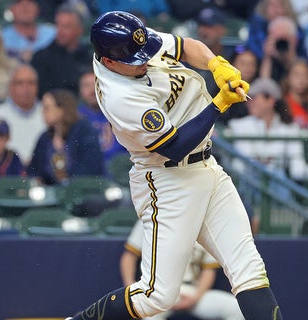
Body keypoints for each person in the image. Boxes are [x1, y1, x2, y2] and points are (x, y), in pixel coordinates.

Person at [65, 11, 282, 320]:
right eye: (134, 59)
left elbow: (184, 46)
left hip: (207, 168)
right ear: (109, 61)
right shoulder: (120, 96)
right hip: (168, 180)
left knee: (248, 267)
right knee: (155, 297)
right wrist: (218, 104)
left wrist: (215, 63)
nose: (144, 60)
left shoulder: (129, 41)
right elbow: (175, 145)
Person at [121, 220, 245, 320]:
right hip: (156, 292)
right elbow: (129, 257)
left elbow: (209, 270)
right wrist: (133, 292)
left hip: (191, 291)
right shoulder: (151, 217)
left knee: (236, 308)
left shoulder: (205, 222)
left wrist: (195, 298)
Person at [227, 77, 308, 182]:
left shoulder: (290, 128)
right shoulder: (238, 125)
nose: (248, 103)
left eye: (253, 98)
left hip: (277, 184)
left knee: (278, 177)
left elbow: (298, 169)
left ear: (270, 100)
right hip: (248, 184)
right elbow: (239, 165)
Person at [27, 89, 104, 185]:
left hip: (82, 192)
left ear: (61, 109)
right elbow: (34, 170)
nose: (43, 112)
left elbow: (91, 168)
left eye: (46, 108)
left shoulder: (85, 131)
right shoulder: (45, 137)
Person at [0, 64, 46, 166]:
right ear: (11, 87)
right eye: (20, 83)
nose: (26, 89)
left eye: (31, 83)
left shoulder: (48, 114)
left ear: (37, 87)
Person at [31, 4, 94, 97]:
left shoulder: (90, 58)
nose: (60, 31)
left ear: (79, 30)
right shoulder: (41, 58)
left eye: (66, 26)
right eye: (58, 25)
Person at [77, 69, 127, 165]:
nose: (92, 90)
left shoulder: (119, 113)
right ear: (80, 91)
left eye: (96, 83)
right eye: (86, 85)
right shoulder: (76, 117)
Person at [218, 47, 259, 126]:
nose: (247, 68)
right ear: (233, 65)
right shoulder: (223, 88)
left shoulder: (261, 91)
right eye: (243, 63)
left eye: (251, 64)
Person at [259, 16, 306, 83]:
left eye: (284, 39)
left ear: (295, 40)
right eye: (278, 39)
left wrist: (290, 57)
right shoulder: (261, 64)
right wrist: (267, 57)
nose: (281, 43)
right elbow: (264, 85)